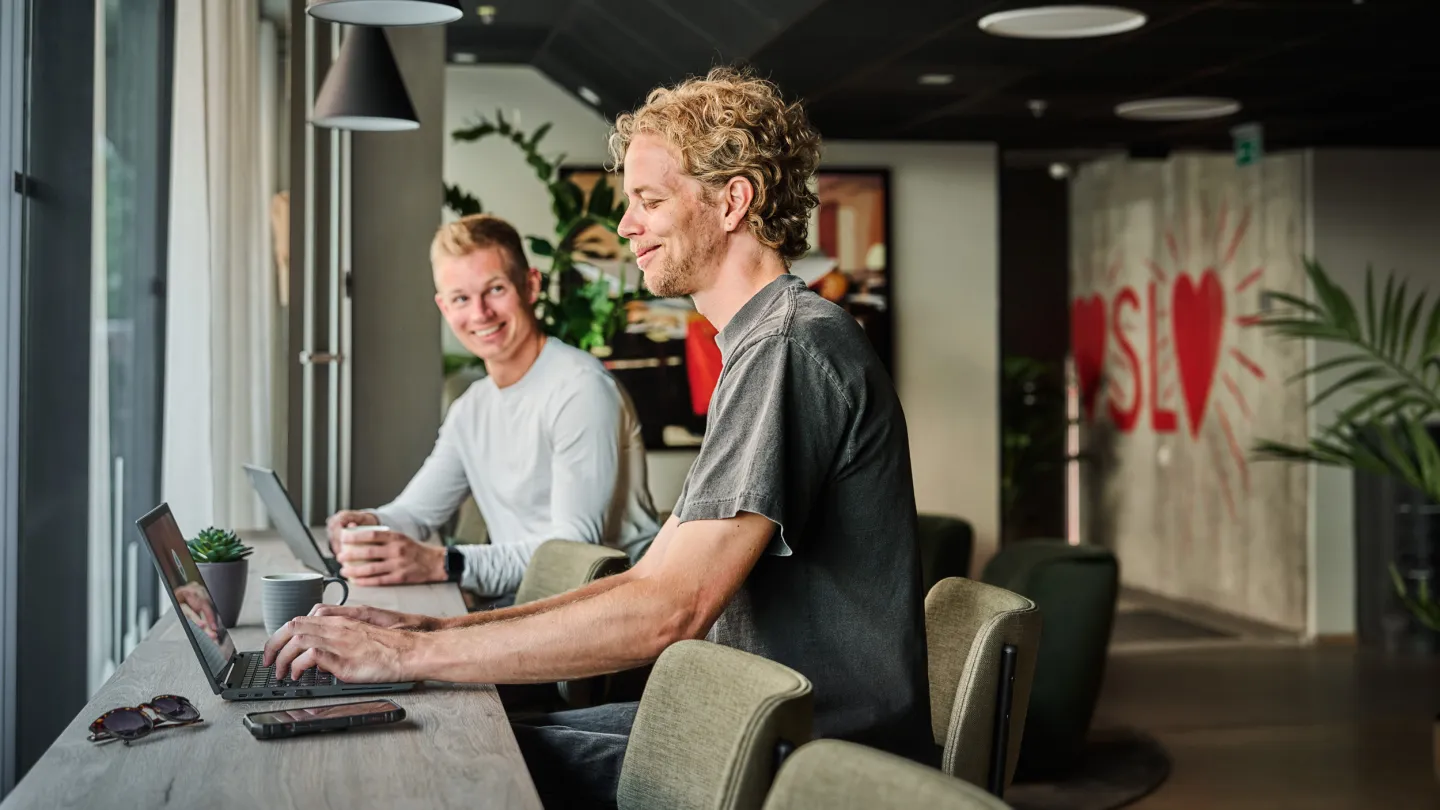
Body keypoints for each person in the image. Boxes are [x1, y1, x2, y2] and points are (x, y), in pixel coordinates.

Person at [263, 66, 931, 807]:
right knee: (451, 730)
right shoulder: (765, 345)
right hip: (749, 722)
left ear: (733, 200)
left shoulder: (788, 348)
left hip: (808, 757)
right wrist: (413, 626)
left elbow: (668, 611)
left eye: (648, 200)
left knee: (447, 760)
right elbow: (646, 582)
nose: (625, 226)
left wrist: (409, 651)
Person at [326, 214, 661, 604]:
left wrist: (445, 563)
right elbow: (417, 514)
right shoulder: (472, 408)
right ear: (444, 308)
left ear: (531, 285)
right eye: (461, 299)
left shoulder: (580, 389)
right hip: (527, 601)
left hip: (606, 607)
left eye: (495, 289)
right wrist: (371, 522)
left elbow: (572, 555)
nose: (480, 313)